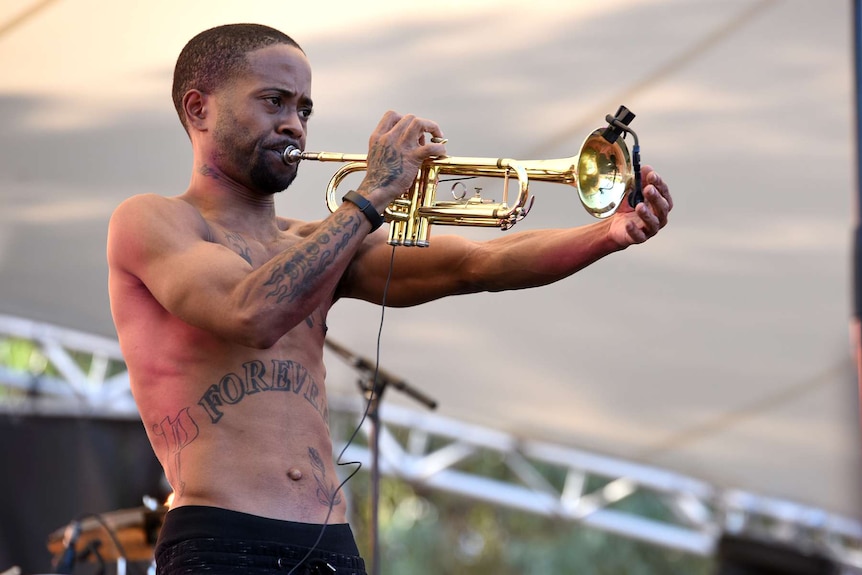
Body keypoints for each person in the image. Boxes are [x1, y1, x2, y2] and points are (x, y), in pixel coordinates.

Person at [107, 23, 672, 575]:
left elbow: (473, 265)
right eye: (273, 102)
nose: (293, 126)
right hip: (222, 542)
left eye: (304, 110)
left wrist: (607, 235)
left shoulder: (318, 240)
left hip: (332, 546)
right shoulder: (153, 221)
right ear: (198, 108)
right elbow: (250, 312)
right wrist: (374, 192)